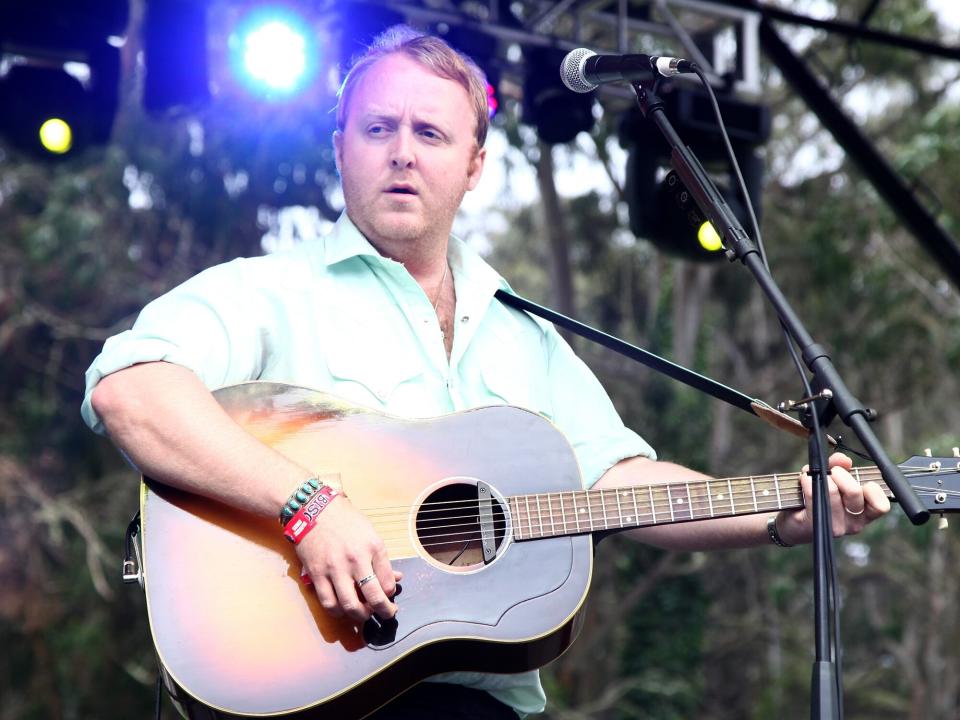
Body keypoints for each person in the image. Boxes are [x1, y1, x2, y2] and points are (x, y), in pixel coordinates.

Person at [82, 25, 891, 719]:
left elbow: (616, 483)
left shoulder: (525, 336)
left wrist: (793, 510)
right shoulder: (264, 291)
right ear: (339, 149)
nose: (402, 152)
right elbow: (131, 392)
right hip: (302, 691)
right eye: (377, 129)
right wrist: (306, 505)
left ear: (474, 164)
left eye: (430, 135)